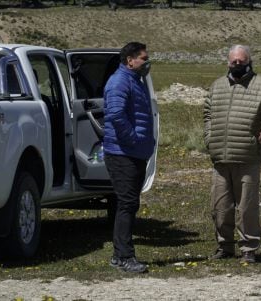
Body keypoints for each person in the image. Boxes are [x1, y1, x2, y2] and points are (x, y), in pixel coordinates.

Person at [203, 45, 261, 263]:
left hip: (248, 157)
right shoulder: (217, 86)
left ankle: (248, 248)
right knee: (220, 208)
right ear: (228, 62)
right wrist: (209, 137)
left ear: (249, 62)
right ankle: (225, 247)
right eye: (234, 62)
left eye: (241, 62)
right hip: (220, 157)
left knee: (246, 208)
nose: (237, 65)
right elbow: (207, 113)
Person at [103, 42, 155, 273]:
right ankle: (125, 257)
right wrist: (133, 138)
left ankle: (118, 255)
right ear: (130, 60)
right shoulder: (120, 82)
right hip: (122, 153)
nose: (147, 62)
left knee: (128, 204)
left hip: (134, 152)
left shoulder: (136, 81)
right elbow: (115, 114)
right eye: (144, 58)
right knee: (127, 204)